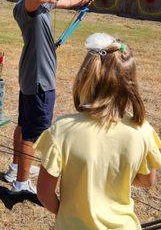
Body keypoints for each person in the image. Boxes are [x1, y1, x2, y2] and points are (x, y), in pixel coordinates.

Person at [35, 33, 161, 230]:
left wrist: (64, 213)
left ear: (86, 77)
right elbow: (147, 180)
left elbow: (44, 192)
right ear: (130, 82)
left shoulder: (63, 129)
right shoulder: (143, 130)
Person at [4, 0, 92, 194]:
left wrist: (82, 1)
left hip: (32, 76)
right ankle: (21, 184)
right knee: (32, 133)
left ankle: (15, 167)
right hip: (39, 80)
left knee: (24, 125)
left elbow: (59, 3)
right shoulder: (26, 5)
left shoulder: (40, 3)